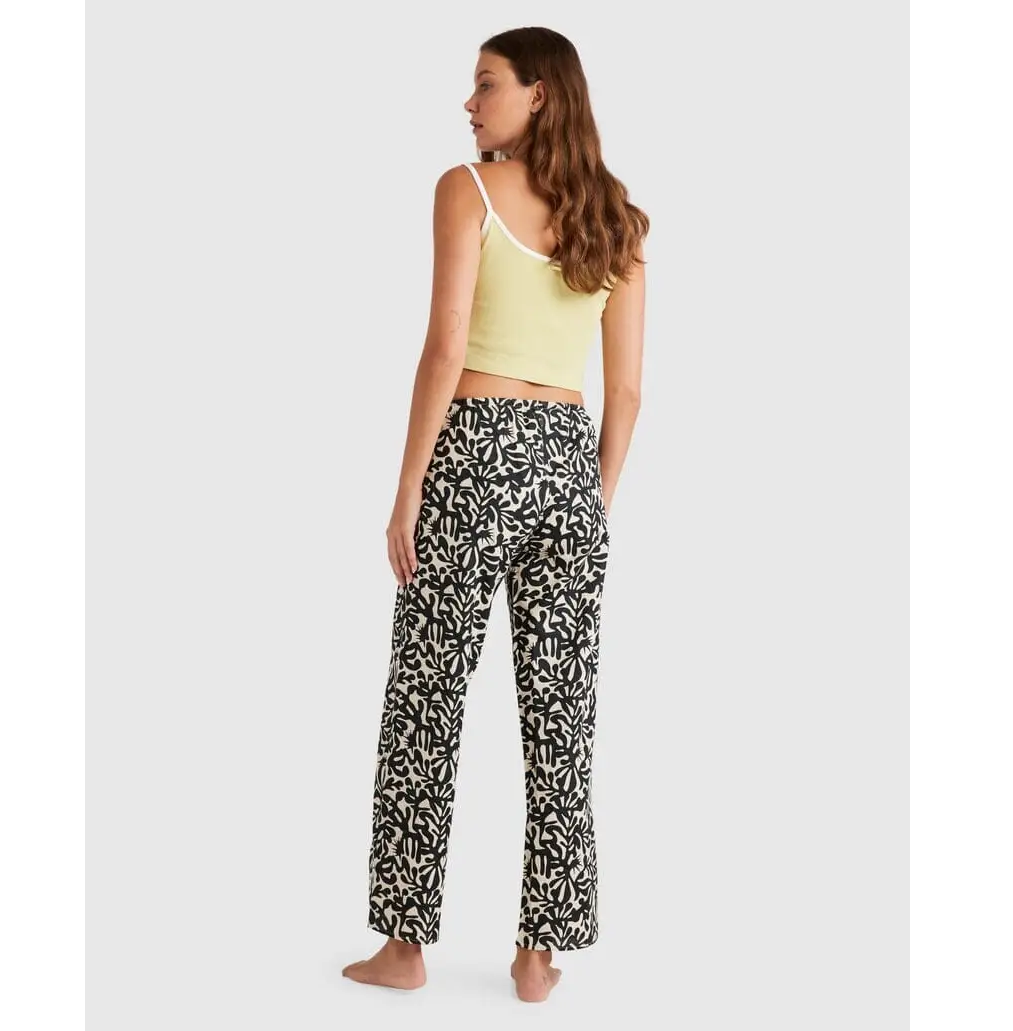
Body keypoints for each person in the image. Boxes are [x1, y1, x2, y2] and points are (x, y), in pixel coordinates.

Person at [341, 26, 648, 1004]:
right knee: (562, 711)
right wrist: (590, 500)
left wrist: (407, 488)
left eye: (485, 84)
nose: (469, 104)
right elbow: (627, 391)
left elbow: (444, 348)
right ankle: (538, 952)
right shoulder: (618, 220)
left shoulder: (465, 190)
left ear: (538, 95)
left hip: (472, 450)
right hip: (567, 461)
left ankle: (403, 945)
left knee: (425, 697)